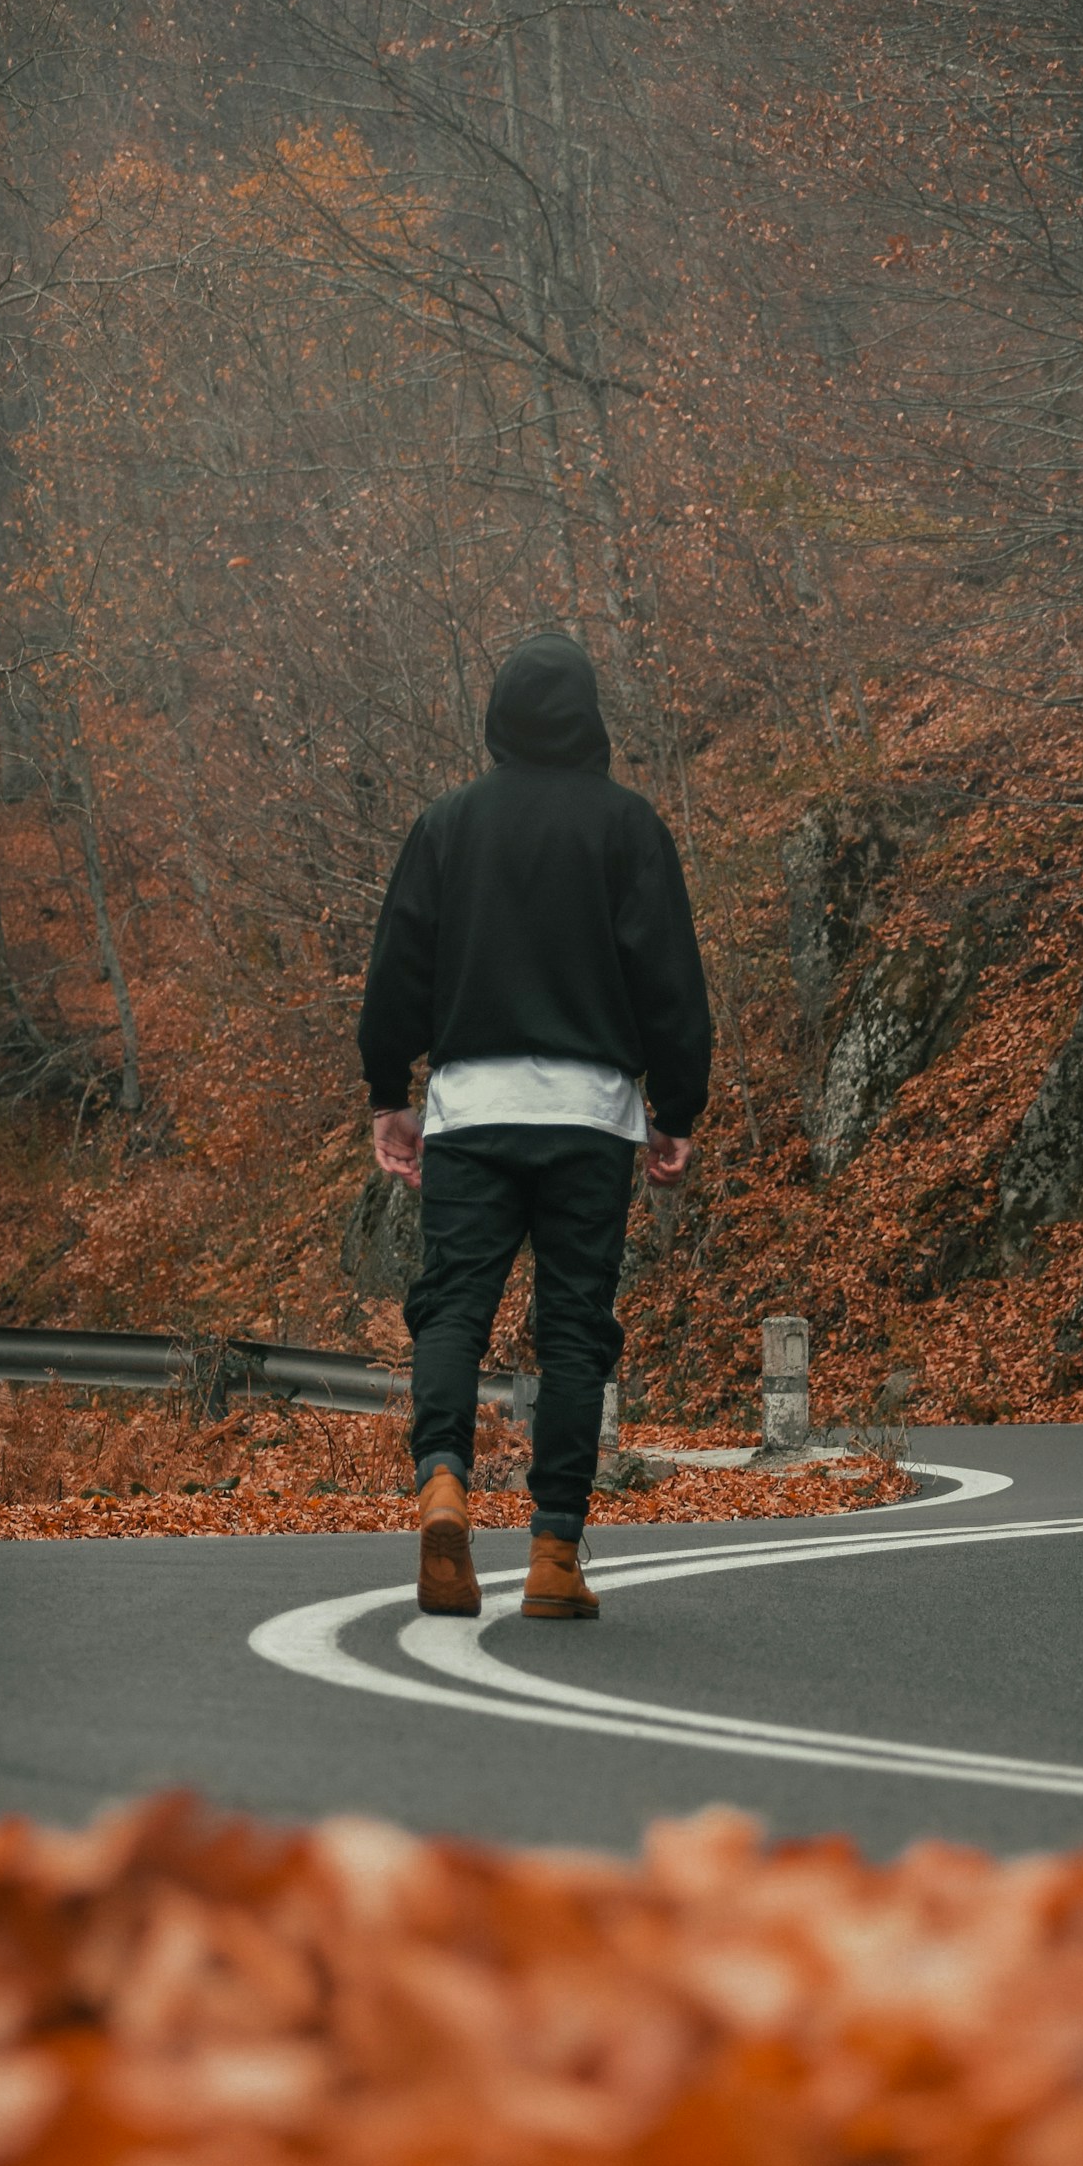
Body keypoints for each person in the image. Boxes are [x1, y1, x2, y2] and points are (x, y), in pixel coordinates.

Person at [357, 631, 712, 1621]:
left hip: (471, 1111)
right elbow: (671, 981)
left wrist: (392, 1093)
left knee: (453, 1308)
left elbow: (399, 969)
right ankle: (555, 1557)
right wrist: (674, 1110)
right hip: (589, 1121)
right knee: (573, 1331)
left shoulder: (447, 825)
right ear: (590, 716)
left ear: (499, 718)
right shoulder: (628, 826)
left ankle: (441, 1483)